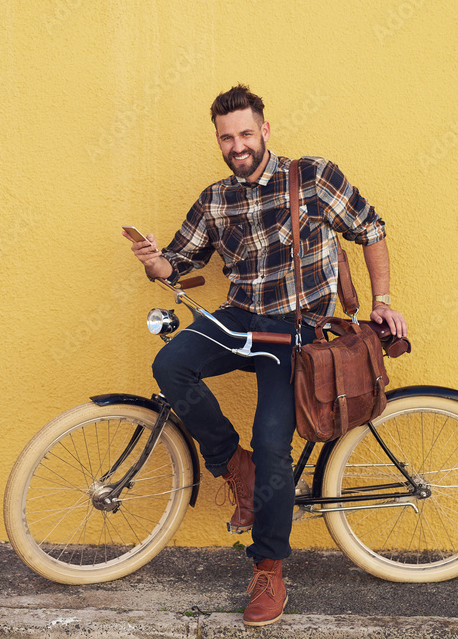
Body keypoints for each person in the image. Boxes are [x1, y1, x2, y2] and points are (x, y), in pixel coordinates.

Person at [123, 84, 407, 627]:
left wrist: (384, 302)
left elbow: (372, 229)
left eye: (246, 134)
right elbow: (177, 264)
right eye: (227, 137)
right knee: (170, 364)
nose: (237, 145)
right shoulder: (215, 199)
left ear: (265, 131)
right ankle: (236, 469)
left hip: (296, 331)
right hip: (240, 319)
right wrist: (154, 260)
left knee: (274, 444)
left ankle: (269, 568)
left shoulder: (313, 177)